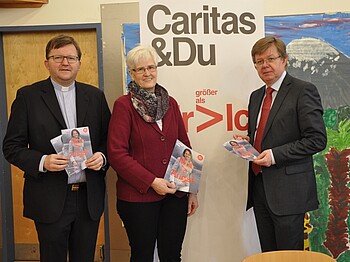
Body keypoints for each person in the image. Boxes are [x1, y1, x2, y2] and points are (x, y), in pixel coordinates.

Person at [2, 35, 111, 262]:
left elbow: (109, 140)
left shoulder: (95, 96)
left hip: (88, 197)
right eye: (58, 57)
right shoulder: (28, 96)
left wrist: (102, 156)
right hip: (49, 198)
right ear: (46, 62)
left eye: (71, 57)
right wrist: (43, 161)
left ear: (79, 62)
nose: (65, 63)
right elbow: (11, 146)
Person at [234, 36, 327, 252]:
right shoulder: (256, 96)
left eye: (270, 59)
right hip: (259, 189)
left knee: (288, 256)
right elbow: (263, 135)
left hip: (289, 194)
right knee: (269, 254)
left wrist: (275, 155)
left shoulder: (303, 91)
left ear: (284, 60)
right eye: (259, 61)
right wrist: (249, 141)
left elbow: (317, 139)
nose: (264, 65)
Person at [107, 45, 199, 262]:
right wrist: (151, 181)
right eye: (140, 69)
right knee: (142, 256)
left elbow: (184, 147)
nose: (147, 73)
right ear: (131, 73)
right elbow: (116, 154)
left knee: (172, 255)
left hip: (175, 196)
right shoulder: (123, 105)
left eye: (151, 67)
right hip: (138, 198)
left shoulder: (171, 103)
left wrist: (191, 189)